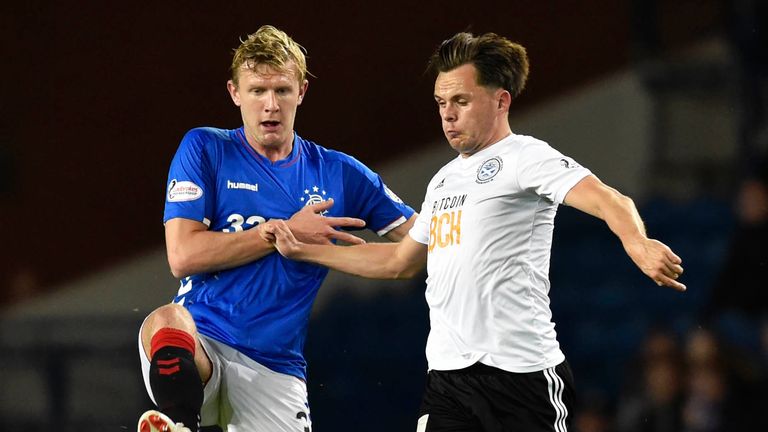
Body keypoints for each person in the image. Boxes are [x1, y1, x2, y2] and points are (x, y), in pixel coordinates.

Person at [264, 31, 686, 432]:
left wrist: (637, 240)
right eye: (441, 101)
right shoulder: (444, 180)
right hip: (448, 380)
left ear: (500, 101)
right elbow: (399, 261)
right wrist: (308, 251)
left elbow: (609, 200)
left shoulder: (525, 157)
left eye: (461, 101)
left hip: (521, 377)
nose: (447, 113)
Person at [136, 25, 416, 432]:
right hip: (203, 347)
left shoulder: (338, 173)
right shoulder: (206, 149)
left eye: (282, 91)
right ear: (234, 93)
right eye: (257, 91)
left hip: (274, 368)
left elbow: (419, 238)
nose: (271, 105)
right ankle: (180, 425)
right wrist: (280, 231)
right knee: (166, 321)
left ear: (301, 91)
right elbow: (183, 257)